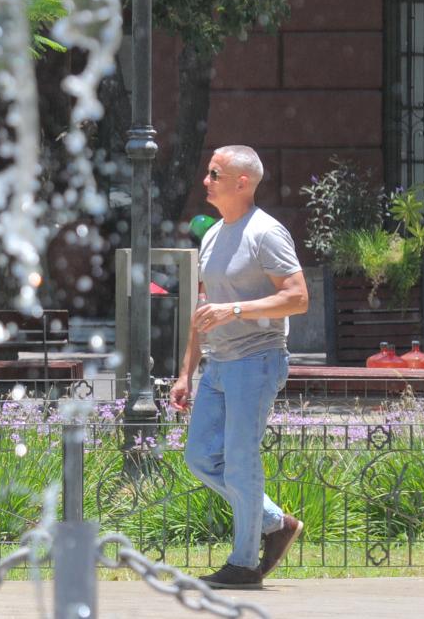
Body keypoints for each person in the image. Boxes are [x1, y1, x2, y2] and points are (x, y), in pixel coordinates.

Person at [169, 145, 310, 590]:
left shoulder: (266, 233)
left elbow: (298, 297)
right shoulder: (213, 235)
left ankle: (244, 564)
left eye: (214, 174)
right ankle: (275, 522)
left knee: (240, 462)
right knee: (199, 457)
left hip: (258, 360)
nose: (205, 181)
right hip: (218, 365)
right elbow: (202, 309)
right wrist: (185, 372)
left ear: (242, 182)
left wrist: (236, 310)